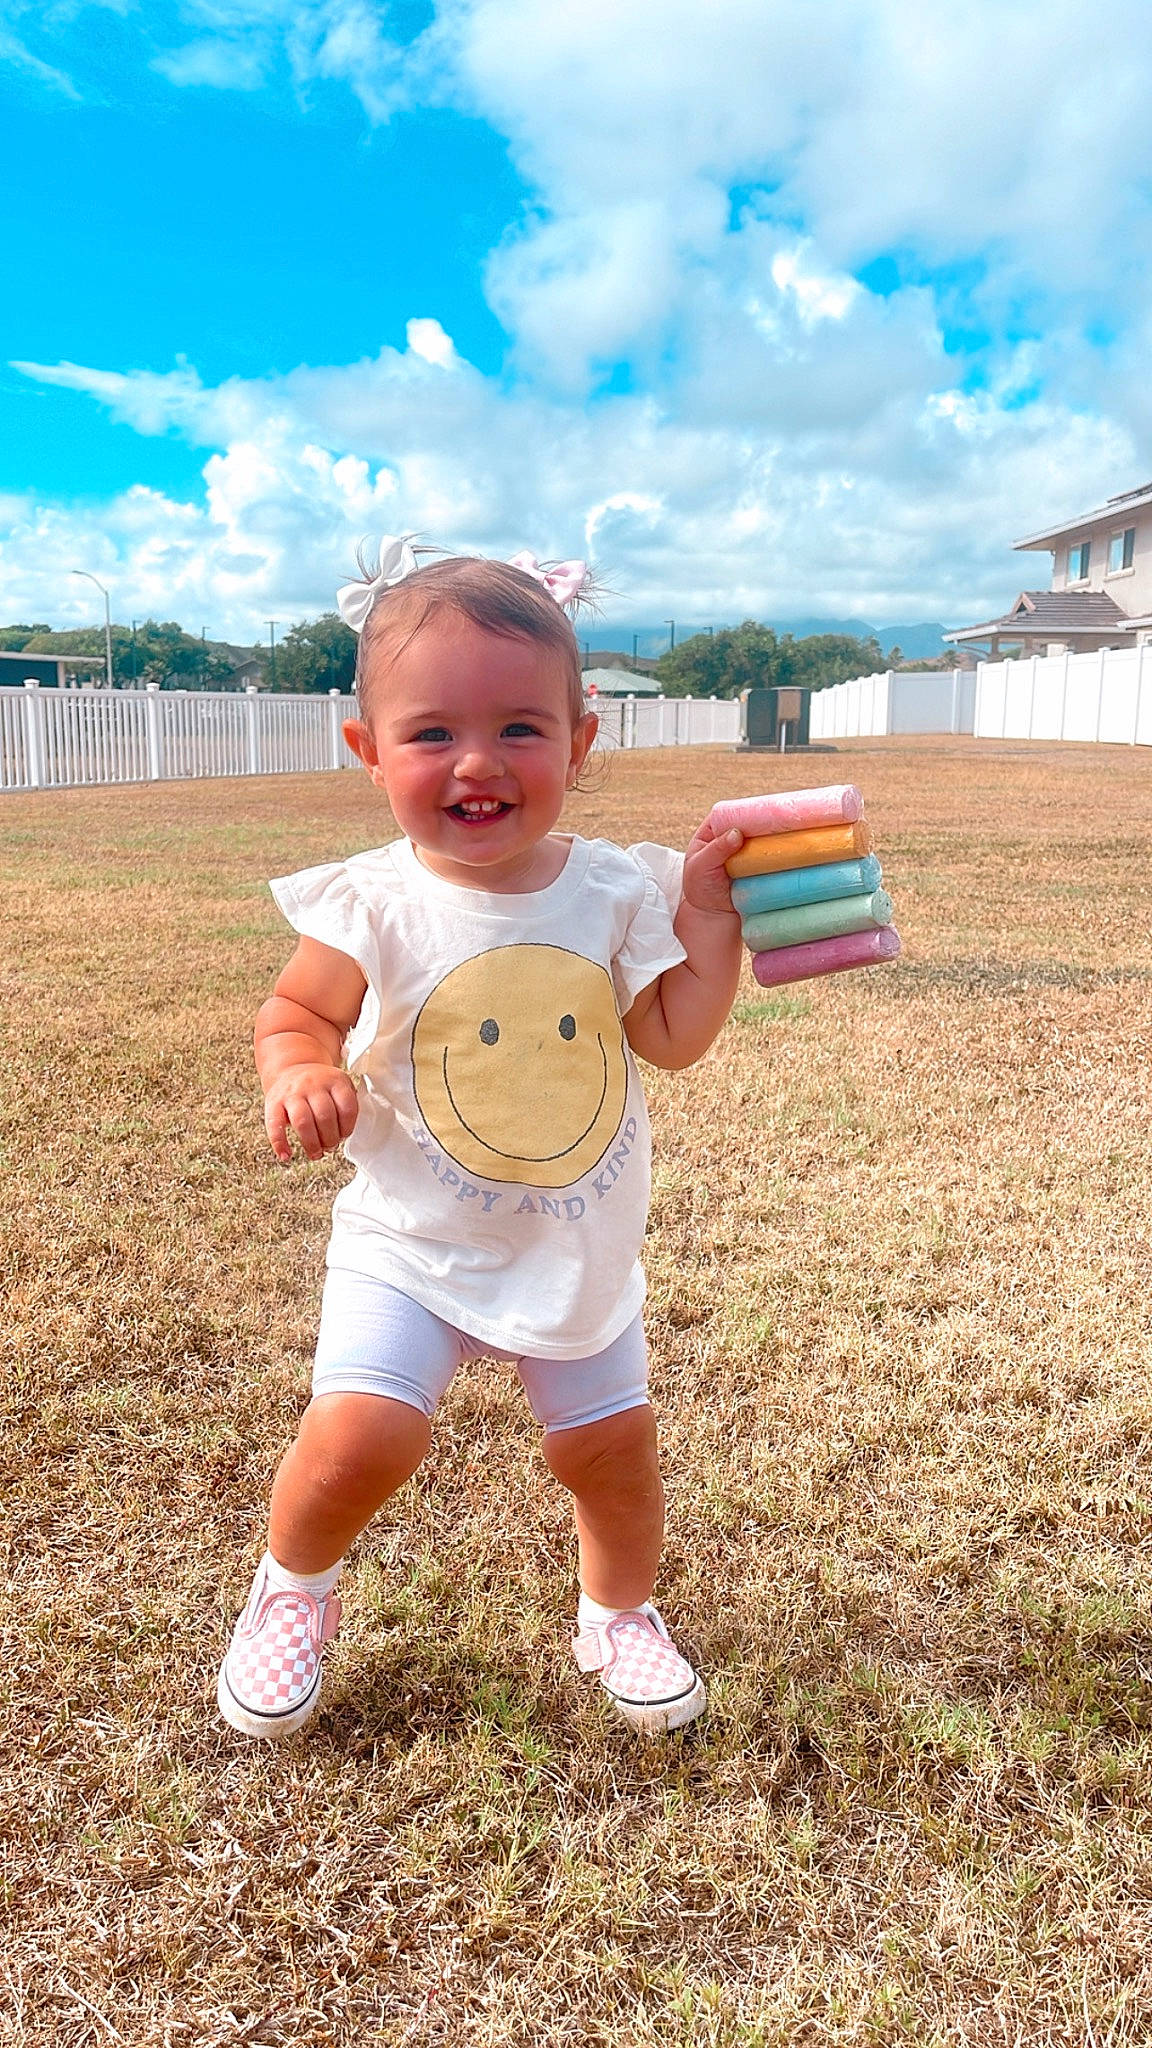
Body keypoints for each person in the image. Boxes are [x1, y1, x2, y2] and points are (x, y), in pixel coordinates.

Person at [217, 538, 744, 1741]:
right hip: (410, 1239)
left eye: (519, 727)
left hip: (574, 1246)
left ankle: (618, 1611)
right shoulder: (375, 900)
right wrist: (298, 1069)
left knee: (612, 1458)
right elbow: (298, 1011)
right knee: (361, 1438)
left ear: (580, 740)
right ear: (367, 752)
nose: (477, 763)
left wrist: (708, 924)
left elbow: (670, 1034)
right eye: (430, 733)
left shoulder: (612, 891)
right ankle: (291, 1589)